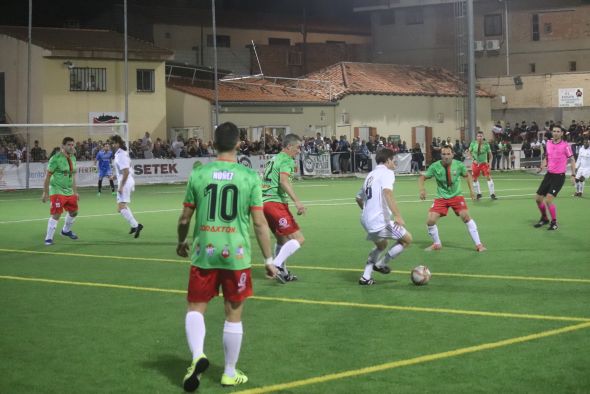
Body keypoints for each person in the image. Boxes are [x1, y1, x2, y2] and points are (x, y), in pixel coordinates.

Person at [176, 122, 278, 391]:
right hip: (236, 255)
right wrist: (269, 259)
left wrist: (181, 240)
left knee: (196, 307)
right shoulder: (248, 176)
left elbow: (185, 217)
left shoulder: (199, 174)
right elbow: (259, 223)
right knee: (233, 313)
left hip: (204, 253)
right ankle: (229, 373)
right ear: (238, 144)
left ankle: (198, 355)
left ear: (212, 143)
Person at [355, 148, 413, 285]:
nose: (395, 163)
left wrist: (369, 212)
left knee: (382, 246)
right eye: (394, 161)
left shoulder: (370, 175)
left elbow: (358, 198)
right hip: (380, 222)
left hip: (365, 220)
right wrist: (398, 216)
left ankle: (366, 277)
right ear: (387, 161)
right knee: (407, 240)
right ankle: (381, 264)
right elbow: (388, 193)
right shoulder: (387, 173)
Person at [418, 146, 486, 252]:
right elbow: (422, 177)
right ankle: (437, 244)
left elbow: (467, 175)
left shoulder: (458, 165)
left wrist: (472, 190)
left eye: (448, 154)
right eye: (444, 154)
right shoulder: (435, 166)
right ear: (441, 155)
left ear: (452, 154)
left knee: (466, 217)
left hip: (456, 196)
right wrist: (422, 189)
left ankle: (479, 245)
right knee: (430, 221)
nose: (446, 157)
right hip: (441, 197)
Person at [262, 133, 306, 282]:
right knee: (299, 239)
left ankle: (283, 273)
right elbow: (283, 182)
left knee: (282, 241)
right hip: (275, 203)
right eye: (298, 147)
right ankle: (276, 265)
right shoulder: (287, 160)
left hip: (264, 203)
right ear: (289, 146)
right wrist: (297, 202)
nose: (299, 151)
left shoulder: (273, 159)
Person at [533, 127, 576, 230]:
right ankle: (544, 218)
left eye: (558, 132)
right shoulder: (548, 143)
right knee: (538, 199)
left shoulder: (565, 146)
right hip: (549, 175)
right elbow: (547, 157)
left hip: (559, 177)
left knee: (548, 200)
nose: (556, 133)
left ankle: (554, 223)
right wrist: (541, 166)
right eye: (554, 131)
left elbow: (572, 160)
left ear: (562, 133)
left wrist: (573, 175)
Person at [41, 137, 79, 245]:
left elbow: (72, 177)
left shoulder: (73, 158)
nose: (71, 147)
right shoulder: (55, 158)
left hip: (69, 190)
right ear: (63, 146)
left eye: (72, 145)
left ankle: (65, 231)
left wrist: (75, 192)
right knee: (56, 213)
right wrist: (45, 192)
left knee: (74, 212)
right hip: (57, 189)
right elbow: (47, 176)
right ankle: (48, 238)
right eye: (69, 145)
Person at [111, 135, 143, 237]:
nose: (112, 145)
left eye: (113, 143)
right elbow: (124, 170)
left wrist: (121, 186)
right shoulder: (120, 154)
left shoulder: (121, 155)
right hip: (124, 180)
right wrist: (115, 177)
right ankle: (134, 226)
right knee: (121, 207)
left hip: (125, 182)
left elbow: (126, 172)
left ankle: (137, 225)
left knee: (121, 208)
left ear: (118, 143)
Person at [468, 131, 497, 200]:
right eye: (478, 136)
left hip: (484, 164)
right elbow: (469, 153)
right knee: (474, 179)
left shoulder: (486, 144)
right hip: (475, 164)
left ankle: (492, 194)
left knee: (488, 177)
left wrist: (489, 163)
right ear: (476, 137)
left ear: (483, 137)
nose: (479, 137)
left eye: (481, 136)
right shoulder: (473, 143)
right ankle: (479, 194)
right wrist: (472, 159)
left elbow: (491, 156)